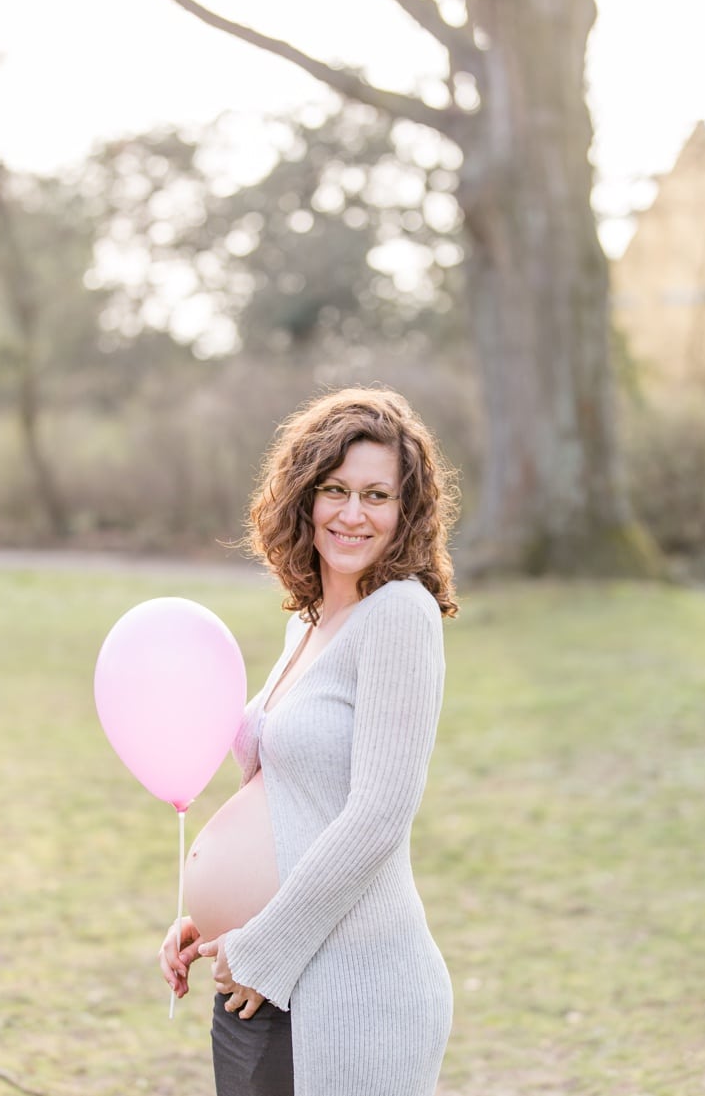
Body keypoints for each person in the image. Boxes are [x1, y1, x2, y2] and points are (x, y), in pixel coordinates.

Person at [157, 387, 460, 1096]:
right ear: (304, 497)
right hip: (257, 981)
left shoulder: (400, 615)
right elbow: (290, 797)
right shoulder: (312, 620)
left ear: (405, 511)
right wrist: (206, 920)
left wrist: (262, 944)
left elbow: (379, 813)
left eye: (377, 494)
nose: (354, 513)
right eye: (336, 489)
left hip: (343, 991)